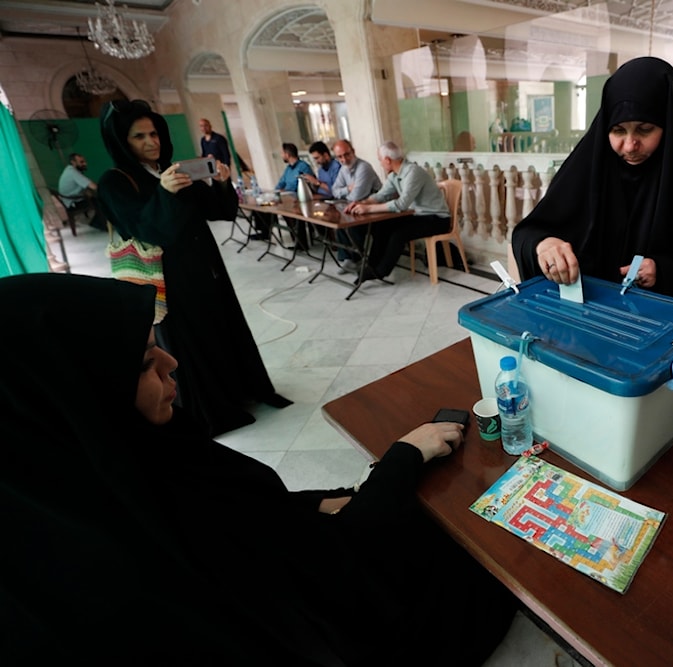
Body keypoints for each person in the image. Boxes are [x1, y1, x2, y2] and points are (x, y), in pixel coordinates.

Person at [0, 273, 516, 665]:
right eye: (141, 364)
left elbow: (256, 519)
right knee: (464, 551)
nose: (172, 364)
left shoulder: (116, 462)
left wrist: (316, 504)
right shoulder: (115, 557)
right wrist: (403, 457)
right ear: (75, 397)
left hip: (301, 577)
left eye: (158, 346)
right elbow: (333, 564)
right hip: (320, 628)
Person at [97, 99, 290, 437]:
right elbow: (147, 229)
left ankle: (240, 390)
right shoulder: (115, 182)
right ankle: (214, 406)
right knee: (193, 340)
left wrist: (220, 183)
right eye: (139, 136)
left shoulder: (172, 170)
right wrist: (165, 193)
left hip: (206, 269)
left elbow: (217, 211)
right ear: (122, 142)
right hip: (171, 278)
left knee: (223, 327)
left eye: (154, 133)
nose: (151, 142)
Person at [511, 57, 673, 312]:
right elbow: (527, 233)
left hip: (657, 328)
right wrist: (544, 245)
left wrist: (663, 270)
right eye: (617, 130)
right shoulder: (588, 168)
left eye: (645, 130)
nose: (629, 146)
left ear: (669, 124)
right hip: (584, 320)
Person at [345, 141, 450, 284]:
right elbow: (380, 196)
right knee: (381, 225)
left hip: (437, 219)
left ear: (387, 160)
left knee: (399, 234)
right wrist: (361, 203)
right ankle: (371, 265)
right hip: (417, 215)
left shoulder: (413, 172)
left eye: (380, 160)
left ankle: (381, 271)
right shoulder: (394, 175)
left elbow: (402, 204)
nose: (381, 164)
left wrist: (369, 209)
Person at [329, 139, 382, 267]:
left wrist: (347, 193)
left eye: (346, 154)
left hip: (376, 211)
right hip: (358, 208)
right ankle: (348, 259)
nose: (344, 159)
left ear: (353, 152)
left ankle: (357, 259)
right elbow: (334, 191)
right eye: (339, 157)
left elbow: (356, 196)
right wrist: (347, 188)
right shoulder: (344, 169)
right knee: (340, 222)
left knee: (351, 224)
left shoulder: (364, 167)